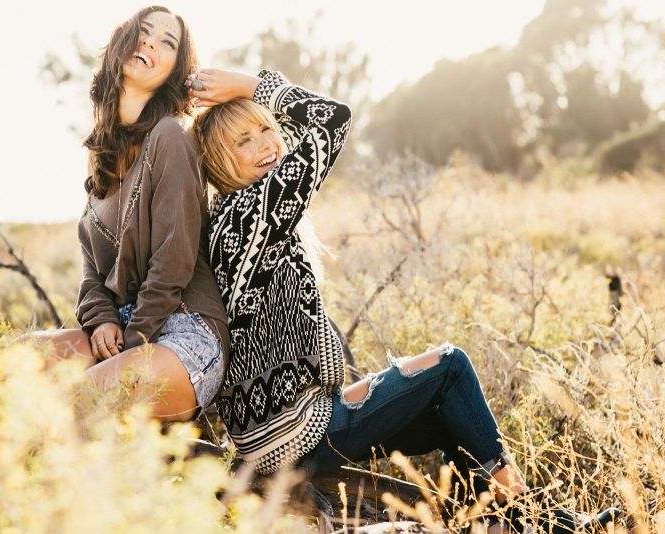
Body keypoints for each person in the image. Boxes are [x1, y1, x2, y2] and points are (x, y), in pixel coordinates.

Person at [190, 68, 619, 532]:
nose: (265, 145)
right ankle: (542, 519)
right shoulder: (254, 210)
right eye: (243, 142)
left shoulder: (240, 214)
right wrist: (250, 86)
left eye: (266, 129)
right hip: (291, 437)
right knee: (450, 365)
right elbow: (332, 119)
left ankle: (490, 522)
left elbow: (300, 133)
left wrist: (255, 106)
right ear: (218, 162)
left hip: (287, 426)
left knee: (450, 414)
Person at [34, 6, 229, 423]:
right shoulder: (101, 156)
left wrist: (135, 336)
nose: (150, 43)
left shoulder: (171, 136)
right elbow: (91, 268)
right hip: (125, 327)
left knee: (83, 398)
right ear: (123, 40)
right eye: (144, 32)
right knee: (19, 362)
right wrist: (102, 319)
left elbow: (174, 259)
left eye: (166, 42)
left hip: (185, 331)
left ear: (175, 70)